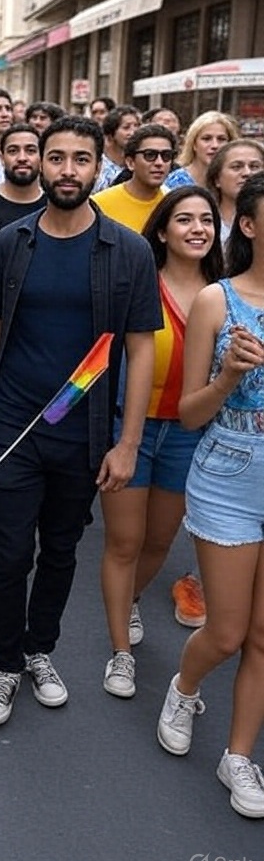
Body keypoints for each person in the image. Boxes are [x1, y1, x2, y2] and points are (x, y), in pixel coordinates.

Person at [0, 116, 161, 726]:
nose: (67, 170)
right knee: (9, 552)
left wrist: (128, 442)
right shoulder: (11, 243)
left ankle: (39, 649)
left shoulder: (127, 250)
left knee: (61, 549)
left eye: (81, 159)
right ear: (39, 164)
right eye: (56, 158)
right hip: (15, 425)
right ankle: (3, 665)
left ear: (100, 167)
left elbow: (141, 345)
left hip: (84, 429)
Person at [157, 173, 264, 820]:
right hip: (227, 470)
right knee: (224, 633)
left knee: (263, 634)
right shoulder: (218, 303)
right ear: (248, 225)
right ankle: (185, 685)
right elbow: (190, 413)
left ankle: (238, 756)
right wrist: (227, 375)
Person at [99, 188, 223, 698]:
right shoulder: (137, 284)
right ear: (163, 230)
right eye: (184, 220)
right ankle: (120, 653)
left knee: (157, 542)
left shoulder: (227, 293)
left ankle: (129, 600)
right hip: (132, 429)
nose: (197, 228)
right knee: (124, 543)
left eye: (206, 220)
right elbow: (101, 356)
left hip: (191, 436)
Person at [92, 124, 176, 233]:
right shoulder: (99, 205)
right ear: (130, 162)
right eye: (150, 155)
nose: (159, 163)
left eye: (166, 156)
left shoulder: (174, 204)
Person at [206, 139, 264, 245]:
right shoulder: (204, 222)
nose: (247, 173)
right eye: (236, 167)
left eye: (255, 166)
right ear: (217, 179)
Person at [164, 111, 239, 191]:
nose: (215, 145)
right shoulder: (174, 184)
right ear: (194, 144)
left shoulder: (236, 181)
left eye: (221, 139)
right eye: (206, 139)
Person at [93, 105, 141, 192]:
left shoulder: (140, 164)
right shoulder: (97, 166)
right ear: (111, 134)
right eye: (126, 127)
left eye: (137, 126)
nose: (133, 132)